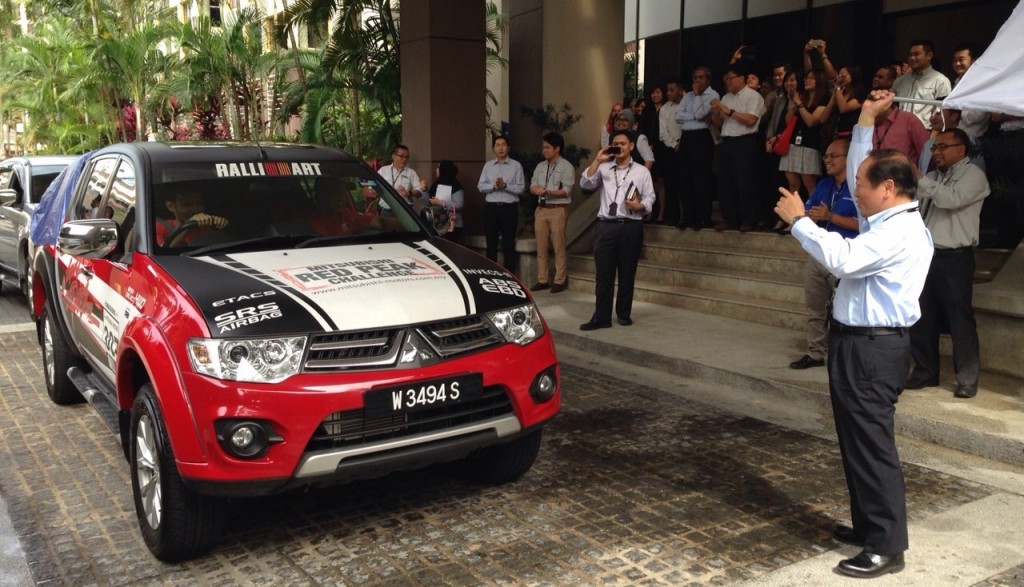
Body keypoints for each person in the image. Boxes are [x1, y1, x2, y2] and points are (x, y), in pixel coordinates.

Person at [773, 89, 933, 579]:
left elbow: (841, 258)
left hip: (874, 347)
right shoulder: (885, 216)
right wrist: (864, 120)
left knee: (873, 444)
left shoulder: (898, 231)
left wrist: (801, 221)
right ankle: (867, 524)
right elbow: (866, 163)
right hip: (854, 341)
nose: (853, 189)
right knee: (854, 440)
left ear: (887, 188)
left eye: (861, 184)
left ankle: (888, 544)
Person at [907, 128, 990, 398]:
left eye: (942, 147)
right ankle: (925, 371)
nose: (936, 152)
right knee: (923, 316)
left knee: (959, 319)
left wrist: (920, 179)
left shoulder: (973, 175)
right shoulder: (931, 177)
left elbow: (950, 199)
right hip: (926, 255)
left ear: (961, 149)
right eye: (933, 148)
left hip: (955, 257)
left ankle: (967, 378)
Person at [788, 138, 859, 370]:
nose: (827, 160)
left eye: (833, 156)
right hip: (818, 254)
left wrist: (831, 217)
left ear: (849, 158)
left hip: (845, 257)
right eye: (826, 156)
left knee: (844, 310)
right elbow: (809, 211)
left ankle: (844, 357)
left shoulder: (860, 188)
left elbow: (864, 226)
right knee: (815, 307)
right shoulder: (824, 185)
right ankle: (815, 353)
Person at [578, 130, 656, 331]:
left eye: (623, 143)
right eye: (615, 143)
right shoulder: (604, 168)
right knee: (603, 274)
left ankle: (623, 314)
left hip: (631, 226)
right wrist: (597, 159)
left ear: (631, 146)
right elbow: (585, 183)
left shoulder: (641, 171)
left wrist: (641, 206)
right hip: (606, 226)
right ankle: (601, 317)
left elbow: (650, 197)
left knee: (627, 272)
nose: (619, 146)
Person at [711, 63, 765, 233]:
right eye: (726, 79)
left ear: (742, 78)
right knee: (725, 182)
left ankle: (748, 220)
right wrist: (716, 111)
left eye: (731, 78)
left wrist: (730, 111)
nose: (728, 82)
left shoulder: (753, 96)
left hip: (745, 142)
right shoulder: (726, 97)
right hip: (727, 142)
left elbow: (751, 120)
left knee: (744, 182)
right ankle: (730, 219)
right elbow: (720, 123)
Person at [529, 132, 576, 293]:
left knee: (558, 246)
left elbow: (566, 191)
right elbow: (532, 185)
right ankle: (542, 280)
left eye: (548, 147)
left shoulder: (567, 167)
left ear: (557, 149)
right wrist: (537, 190)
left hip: (558, 209)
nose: (545, 150)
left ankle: (559, 280)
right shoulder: (540, 166)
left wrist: (548, 192)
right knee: (541, 247)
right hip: (541, 209)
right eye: (544, 147)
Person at [676, 66, 719, 230]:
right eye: (695, 78)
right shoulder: (687, 96)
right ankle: (687, 216)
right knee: (686, 178)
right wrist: (694, 115)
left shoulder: (713, 95)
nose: (698, 81)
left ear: (708, 79)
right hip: (687, 137)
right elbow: (678, 116)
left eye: (701, 78)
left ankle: (703, 217)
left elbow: (701, 113)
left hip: (702, 137)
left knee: (701, 178)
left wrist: (697, 98)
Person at [478, 135, 525, 273]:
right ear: (493, 148)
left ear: (508, 147)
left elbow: (521, 188)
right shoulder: (488, 166)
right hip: (491, 208)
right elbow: (480, 186)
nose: (500, 148)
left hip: (508, 209)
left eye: (503, 145)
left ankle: (511, 277)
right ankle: (492, 275)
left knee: (508, 244)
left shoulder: (516, 166)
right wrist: (493, 186)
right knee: (491, 244)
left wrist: (505, 186)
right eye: (497, 145)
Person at [779, 70, 827, 201]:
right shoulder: (801, 97)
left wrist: (798, 104)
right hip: (793, 144)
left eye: (812, 78)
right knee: (792, 186)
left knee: (810, 184)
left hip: (810, 145)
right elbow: (788, 122)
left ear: (820, 81)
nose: (807, 80)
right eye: (806, 78)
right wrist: (792, 104)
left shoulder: (823, 99)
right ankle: (792, 218)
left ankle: (813, 215)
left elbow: (811, 121)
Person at [892, 39, 952, 130]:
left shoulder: (941, 81)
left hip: (926, 132)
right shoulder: (900, 80)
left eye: (916, 54)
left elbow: (944, 115)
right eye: (910, 55)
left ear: (929, 55)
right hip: (900, 131)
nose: (912, 58)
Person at [155, 186, 228, 247]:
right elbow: (162, 251)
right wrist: (188, 226)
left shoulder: (207, 226)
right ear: (171, 206)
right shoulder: (161, 227)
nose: (195, 210)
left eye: (199, 204)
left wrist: (221, 224)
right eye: (187, 205)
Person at [869, 95, 929, 165]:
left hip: (904, 174)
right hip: (873, 172)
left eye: (874, 107)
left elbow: (926, 154)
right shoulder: (867, 122)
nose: (871, 111)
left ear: (886, 105)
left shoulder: (908, 120)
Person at [658, 79, 683, 226]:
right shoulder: (665, 108)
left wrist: (683, 143)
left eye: (671, 90)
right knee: (671, 183)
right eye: (667, 90)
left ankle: (687, 215)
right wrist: (674, 145)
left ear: (680, 90)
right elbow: (663, 133)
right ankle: (672, 216)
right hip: (671, 149)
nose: (668, 93)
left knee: (685, 183)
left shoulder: (688, 102)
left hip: (688, 146)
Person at [378, 144, 426, 212]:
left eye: (406, 157)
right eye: (401, 156)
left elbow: (419, 193)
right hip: (387, 210)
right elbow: (374, 188)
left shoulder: (411, 173)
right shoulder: (383, 170)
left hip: (405, 211)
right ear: (393, 156)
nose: (404, 159)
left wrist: (409, 193)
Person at [427, 160, 465, 243]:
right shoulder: (436, 184)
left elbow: (459, 204)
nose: (436, 169)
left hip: (453, 225)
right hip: (437, 223)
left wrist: (441, 203)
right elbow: (430, 198)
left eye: (438, 167)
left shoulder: (455, 185)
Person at [825, 65, 865, 138]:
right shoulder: (840, 92)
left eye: (843, 75)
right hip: (836, 133)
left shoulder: (860, 93)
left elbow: (843, 108)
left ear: (853, 75)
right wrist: (834, 94)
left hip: (850, 134)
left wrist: (838, 87)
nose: (840, 77)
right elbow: (824, 117)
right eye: (839, 75)